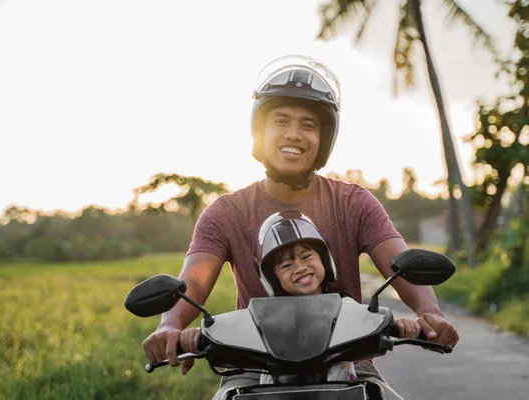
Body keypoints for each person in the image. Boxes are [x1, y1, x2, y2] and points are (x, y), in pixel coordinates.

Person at [141, 54, 459, 397]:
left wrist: (430, 313)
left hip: (349, 364)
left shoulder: (353, 202)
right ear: (261, 132)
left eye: (309, 125)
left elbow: (401, 261)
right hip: (252, 369)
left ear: (324, 138)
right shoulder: (226, 212)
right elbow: (194, 280)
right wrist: (170, 325)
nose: (294, 134)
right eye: (281, 120)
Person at [179, 211, 422, 389]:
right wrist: (196, 336)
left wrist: (402, 324)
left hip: (345, 391)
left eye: (307, 257)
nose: (300, 267)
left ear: (325, 259)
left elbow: (372, 320)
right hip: (269, 393)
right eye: (286, 264)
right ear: (271, 277)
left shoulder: (345, 307)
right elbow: (231, 329)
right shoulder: (258, 317)